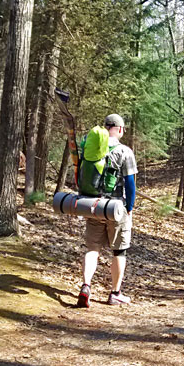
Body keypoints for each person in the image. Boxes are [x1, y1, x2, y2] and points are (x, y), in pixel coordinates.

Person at [77, 114, 137, 307]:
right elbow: (130, 184)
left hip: (93, 205)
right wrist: (130, 207)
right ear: (119, 129)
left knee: (92, 248)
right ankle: (115, 293)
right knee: (119, 251)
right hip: (116, 208)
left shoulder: (91, 148)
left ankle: (86, 285)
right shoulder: (124, 151)